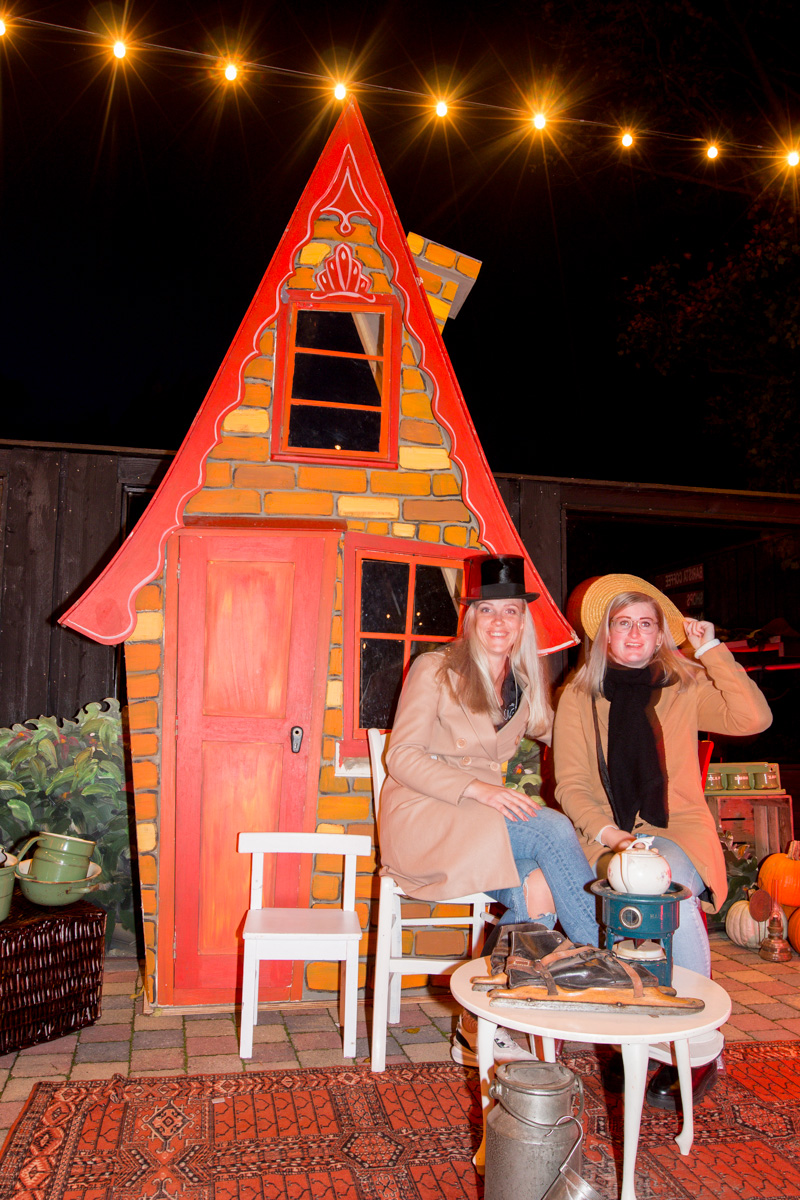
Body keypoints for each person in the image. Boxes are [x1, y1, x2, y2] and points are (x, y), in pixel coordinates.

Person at [553, 573, 772, 1108]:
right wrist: (611, 836)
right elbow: (572, 783)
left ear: (659, 636)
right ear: (605, 634)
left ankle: (695, 1045)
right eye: (623, 623)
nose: (634, 634)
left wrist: (712, 650)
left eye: (645, 624)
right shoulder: (577, 696)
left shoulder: (684, 686)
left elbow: (754, 717)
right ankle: (640, 1038)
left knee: (662, 883)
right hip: (608, 831)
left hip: (674, 828)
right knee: (624, 916)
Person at [378, 555, 601, 1067]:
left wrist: (610, 727)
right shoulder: (436, 669)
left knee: (538, 887)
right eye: (487, 610)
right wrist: (478, 789)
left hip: (480, 829)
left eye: (511, 611)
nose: (499, 621)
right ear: (471, 617)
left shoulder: (523, 682)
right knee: (551, 828)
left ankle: (480, 1026)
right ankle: (602, 960)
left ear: (524, 621)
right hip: (429, 814)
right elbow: (401, 756)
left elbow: (564, 733)